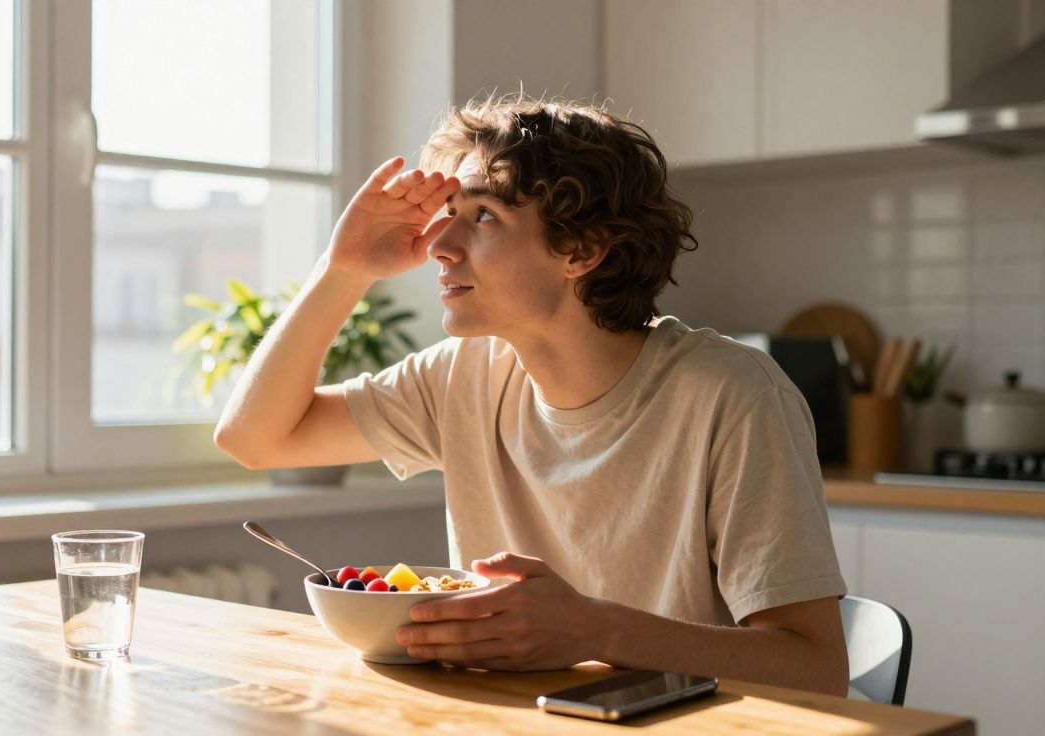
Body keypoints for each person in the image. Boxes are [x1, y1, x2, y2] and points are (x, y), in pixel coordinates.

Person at [214, 96, 849, 695]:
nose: (438, 246)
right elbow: (255, 440)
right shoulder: (464, 375)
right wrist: (344, 270)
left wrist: (596, 630)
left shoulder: (734, 396)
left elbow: (816, 670)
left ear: (582, 249)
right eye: (449, 214)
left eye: (484, 216)